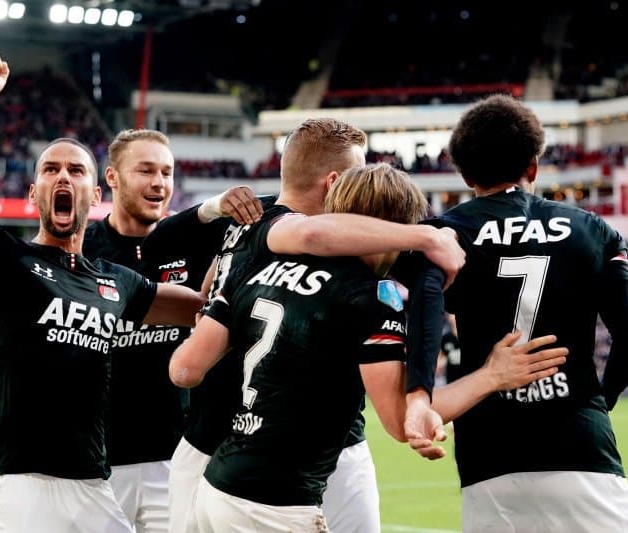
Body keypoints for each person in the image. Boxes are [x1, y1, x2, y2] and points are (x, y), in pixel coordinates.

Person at [168, 162, 568, 532]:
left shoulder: (261, 265)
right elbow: (399, 421)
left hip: (217, 485)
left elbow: (184, 369)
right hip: (275, 504)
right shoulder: (373, 297)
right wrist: (491, 376)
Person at [0, 51, 204, 533]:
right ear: (34, 194)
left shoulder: (115, 282)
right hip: (17, 482)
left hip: (92, 483)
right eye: (51, 169)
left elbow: (203, 311)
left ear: (95, 195)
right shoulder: (9, 262)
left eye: (77, 171)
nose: (64, 177)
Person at [167, 118, 467, 533]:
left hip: (222, 452)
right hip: (290, 467)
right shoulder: (350, 277)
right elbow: (311, 234)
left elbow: (185, 367)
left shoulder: (243, 231)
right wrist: (425, 238)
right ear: (335, 183)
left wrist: (215, 307)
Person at [401, 94, 628, 532]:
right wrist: (595, 405)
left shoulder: (443, 235)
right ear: (533, 166)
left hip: (488, 457)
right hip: (581, 446)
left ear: (464, 173)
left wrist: (420, 394)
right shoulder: (595, 231)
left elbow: (425, 311)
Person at [82, 127, 264, 531]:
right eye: (145, 171)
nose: (158, 182)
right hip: (99, 463)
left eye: (166, 172)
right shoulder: (83, 250)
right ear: (111, 178)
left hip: (181, 457)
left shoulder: (201, 243)